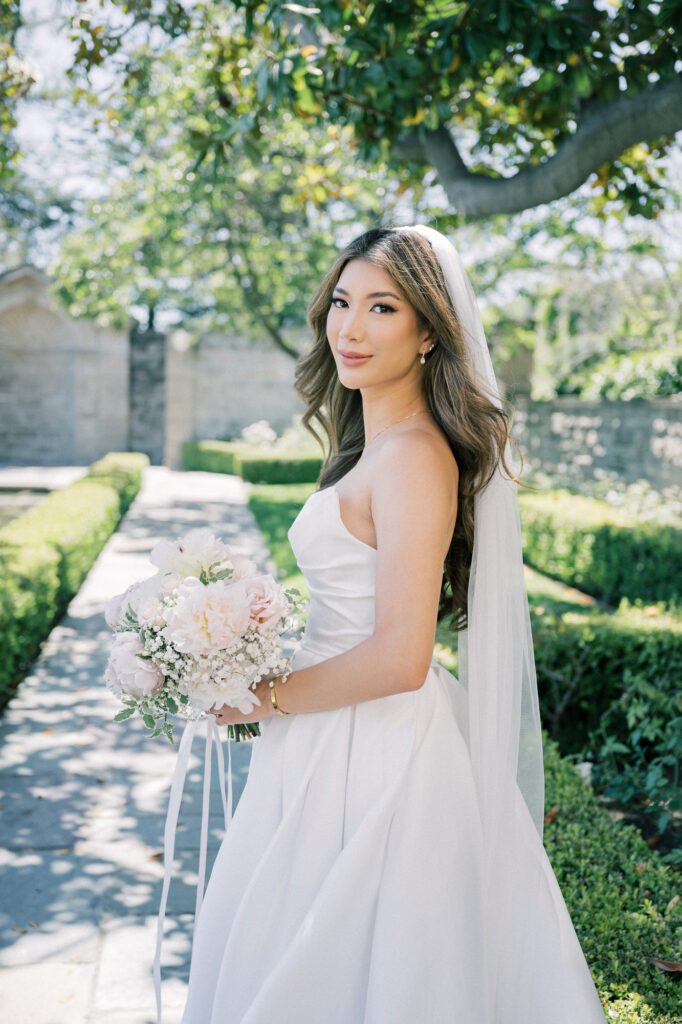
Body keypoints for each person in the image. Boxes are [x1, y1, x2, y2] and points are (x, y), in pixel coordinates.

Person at [180, 226, 607, 1023]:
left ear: (427, 334)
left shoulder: (414, 454)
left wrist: (265, 694)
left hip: (377, 746)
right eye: (343, 302)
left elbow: (403, 656)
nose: (351, 328)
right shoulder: (369, 446)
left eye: (383, 308)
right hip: (324, 735)